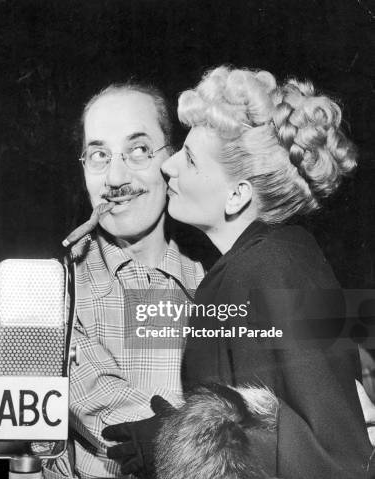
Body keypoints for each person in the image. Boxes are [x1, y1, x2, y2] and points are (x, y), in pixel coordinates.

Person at [103, 66, 373, 478]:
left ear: (237, 195)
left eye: (189, 159)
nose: (168, 167)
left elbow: (336, 457)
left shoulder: (267, 267)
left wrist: (177, 438)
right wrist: (184, 424)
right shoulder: (272, 258)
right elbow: (265, 413)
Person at [47, 84, 204, 479]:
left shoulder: (212, 278)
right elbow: (114, 418)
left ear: (172, 158)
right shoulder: (57, 290)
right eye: (99, 155)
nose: (116, 177)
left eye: (138, 150)